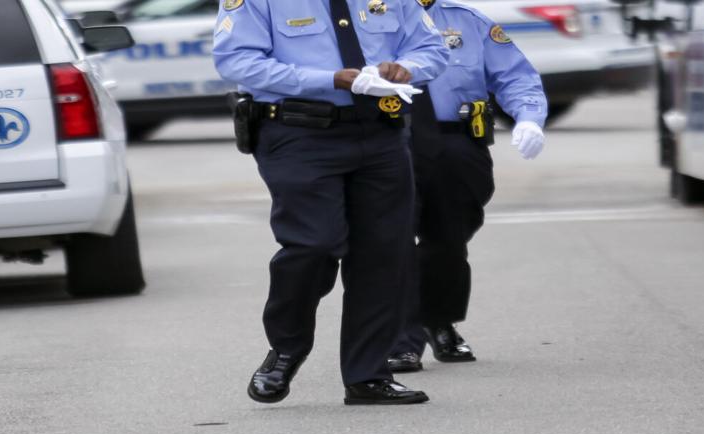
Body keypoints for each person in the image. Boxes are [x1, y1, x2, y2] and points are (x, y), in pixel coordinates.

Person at [214, 0, 450, 405]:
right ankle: (287, 347)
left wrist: (405, 68)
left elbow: (432, 48)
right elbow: (236, 62)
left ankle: (367, 376)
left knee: (383, 254)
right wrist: (328, 79)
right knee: (313, 244)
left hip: (381, 134)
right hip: (297, 132)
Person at [386, 0, 546, 374]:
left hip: (455, 142)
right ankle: (401, 339)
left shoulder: (467, 21)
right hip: (389, 141)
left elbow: (514, 75)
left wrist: (528, 117)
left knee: (449, 238)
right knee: (390, 239)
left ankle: (439, 319)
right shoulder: (366, 15)